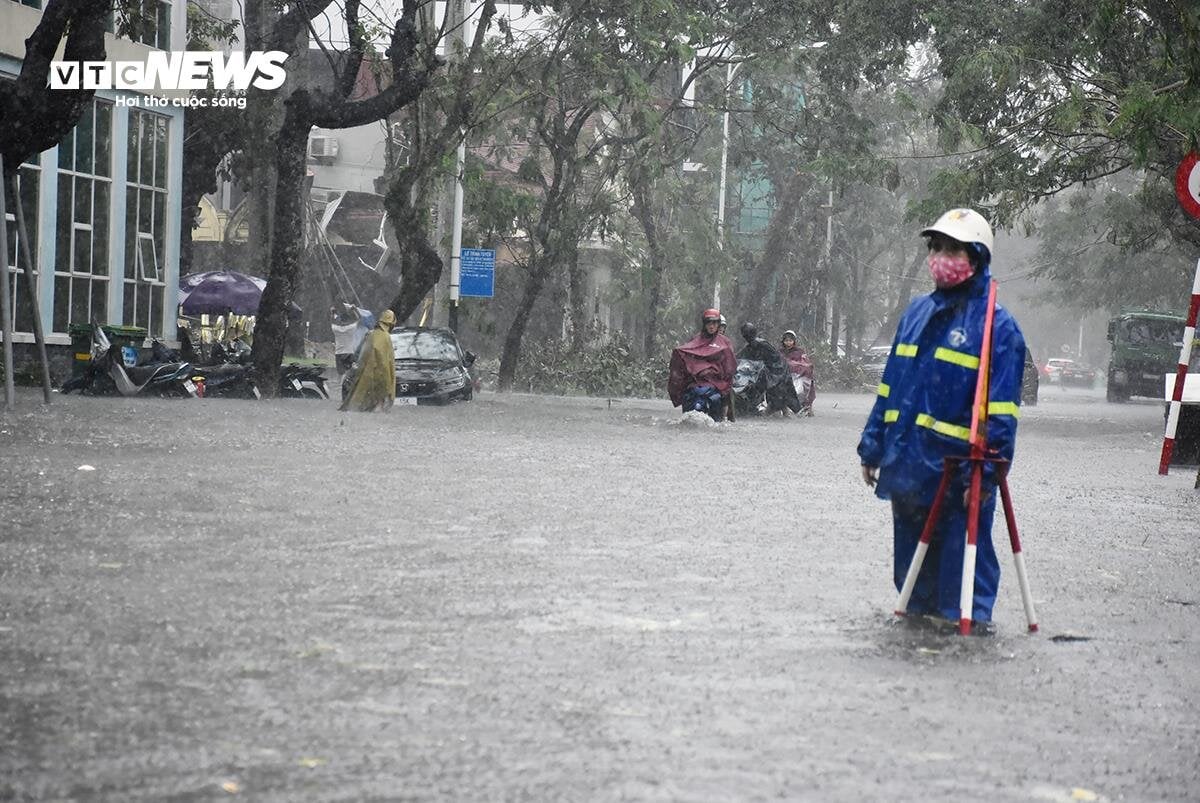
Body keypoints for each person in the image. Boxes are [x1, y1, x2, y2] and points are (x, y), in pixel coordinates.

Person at [857, 208, 1026, 633]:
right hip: (908, 468)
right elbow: (890, 387)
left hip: (959, 477)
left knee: (963, 591)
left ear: (976, 257)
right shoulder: (915, 314)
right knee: (912, 593)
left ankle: (968, 648)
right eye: (936, 247)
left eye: (953, 248)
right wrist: (872, 445)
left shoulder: (998, 329)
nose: (941, 256)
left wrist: (985, 478)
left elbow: (1002, 415)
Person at [668, 308, 737, 420]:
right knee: (689, 398)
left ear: (718, 324)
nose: (711, 326)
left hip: (716, 384)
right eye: (709, 322)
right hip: (696, 383)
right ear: (704, 324)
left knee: (725, 399)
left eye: (714, 323)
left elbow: (730, 365)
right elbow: (687, 356)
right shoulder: (696, 339)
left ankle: (727, 417)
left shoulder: (725, 342)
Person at [737, 322, 802, 415]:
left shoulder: (760, 344)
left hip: (777, 372)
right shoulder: (754, 345)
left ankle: (777, 412)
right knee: (780, 396)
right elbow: (741, 356)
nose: (747, 337)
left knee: (781, 395)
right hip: (774, 372)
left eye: (748, 334)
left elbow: (774, 358)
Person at [340, 309, 397, 412]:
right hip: (380, 373)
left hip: (366, 372)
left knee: (363, 396)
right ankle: (376, 408)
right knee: (379, 399)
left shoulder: (371, 334)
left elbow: (362, 352)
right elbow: (387, 360)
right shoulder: (386, 337)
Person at [780, 329, 816, 415]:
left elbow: (805, 363)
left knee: (803, 389)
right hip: (783, 376)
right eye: (786, 341)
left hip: (798, 376)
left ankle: (806, 407)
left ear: (794, 341)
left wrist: (796, 366)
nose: (788, 343)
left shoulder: (799, 352)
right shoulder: (780, 352)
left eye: (790, 341)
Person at [330, 303, 362, 382]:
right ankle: (348, 385)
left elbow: (333, 320)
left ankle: (339, 385)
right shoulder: (351, 328)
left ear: (341, 320)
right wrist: (354, 309)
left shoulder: (336, 329)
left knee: (340, 373)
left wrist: (333, 312)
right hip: (349, 353)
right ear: (348, 320)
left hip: (339, 353)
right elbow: (359, 319)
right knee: (349, 372)